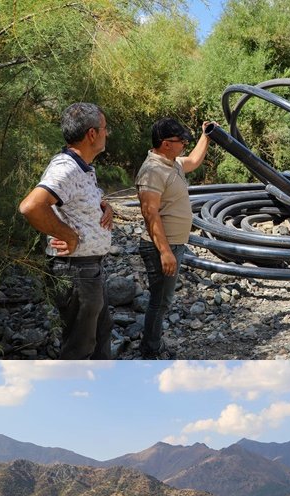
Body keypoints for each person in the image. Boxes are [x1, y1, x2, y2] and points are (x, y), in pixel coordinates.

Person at [18, 102, 114, 359]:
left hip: (88, 267)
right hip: (76, 270)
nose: (107, 133)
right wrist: (68, 235)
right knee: (80, 345)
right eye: (105, 129)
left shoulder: (81, 166)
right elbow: (31, 206)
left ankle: (103, 390)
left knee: (101, 332)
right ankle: (76, 395)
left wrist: (104, 206)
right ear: (92, 134)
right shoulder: (67, 167)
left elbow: (75, 200)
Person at [135, 117, 217, 359]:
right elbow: (150, 214)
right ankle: (151, 349)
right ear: (164, 143)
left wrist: (206, 136)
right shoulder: (152, 171)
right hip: (161, 247)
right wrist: (165, 252)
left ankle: (152, 343)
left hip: (173, 245)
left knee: (163, 300)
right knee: (160, 302)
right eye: (179, 140)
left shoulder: (172, 164)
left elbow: (192, 160)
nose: (183, 143)